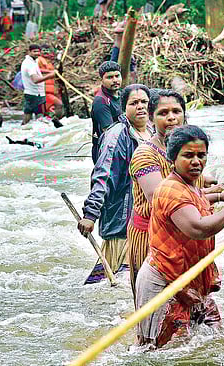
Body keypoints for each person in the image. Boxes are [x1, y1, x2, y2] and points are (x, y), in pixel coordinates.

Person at [135, 125, 224, 349]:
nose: (196, 161)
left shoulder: (189, 185)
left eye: (201, 155)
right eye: (188, 155)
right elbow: (198, 227)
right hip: (164, 282)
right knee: (155, 350)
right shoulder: (171, 190)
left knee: (203, 340)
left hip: (188, 277)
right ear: (172, 159)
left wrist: (218, 196)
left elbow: (196, 201)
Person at [128, 89, 224, 301]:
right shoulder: (145, 155)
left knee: (196, 310)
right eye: (163, 113)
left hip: (187, 233)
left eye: (176, 111)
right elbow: (160, 197)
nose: (171, 117)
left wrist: (215, 192)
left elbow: (191, 190)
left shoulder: (187, 149)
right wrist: (219, 198)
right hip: (154, 237)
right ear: (151, 119)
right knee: (160, 306)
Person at [78, 84, 153, 282]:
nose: (140, 107)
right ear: (123, 107)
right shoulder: (117, 135)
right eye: (134, 103)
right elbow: (103, 175)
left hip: (149, 219)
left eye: (144, 102)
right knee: (118, 283)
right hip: (124, 219)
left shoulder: (153, 132)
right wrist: (91, 214)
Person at [21, 44, 60, 127]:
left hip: (36, 93)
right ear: (29, 52)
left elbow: (39, 71)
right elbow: (35, 80)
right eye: (34, 51)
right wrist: (51, 75)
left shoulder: (33, 61)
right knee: (37, 117)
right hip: (34, 94)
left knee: (34, 116)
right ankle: (24, 132)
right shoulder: (29, 64)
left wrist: (52, 72)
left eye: (38, 51)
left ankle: (24, 131)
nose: (37, 53)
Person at [91, 61, 122, 164]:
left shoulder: (122, 95)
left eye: (117, 76)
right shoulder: (101, 101)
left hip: (121, 148)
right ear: (102, 80)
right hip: (107, 152)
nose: (115, 80)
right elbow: (110, 133)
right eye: (110, 77)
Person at [37, 44, 64, 127]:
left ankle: (53, 124)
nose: (45, 52)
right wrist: (51, 73)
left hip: (51, 89)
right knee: (58, 104)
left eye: (47, 50)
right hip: (44, 90)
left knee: (50, 109)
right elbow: (36, 70)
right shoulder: (38, 60)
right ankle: (56, 123)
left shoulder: (49, 62)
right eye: (43, 50)